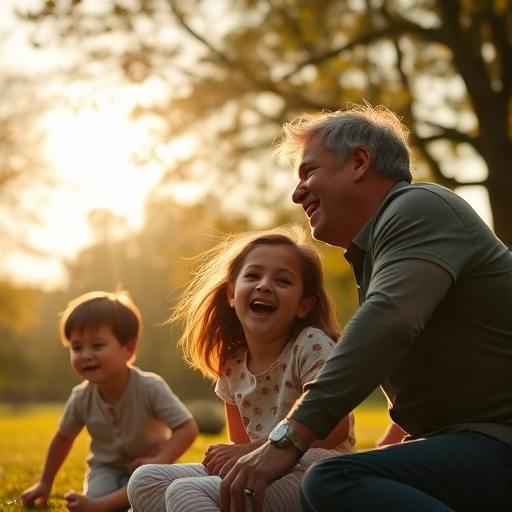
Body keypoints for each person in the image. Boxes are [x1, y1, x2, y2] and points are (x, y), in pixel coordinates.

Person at [219, 103, 512, 512]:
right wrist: (392, 445)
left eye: (309, 172)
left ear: (359, 162)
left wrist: (286, 440)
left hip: (498, 443)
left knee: (333, 479)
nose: (297, 192)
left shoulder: (419, 207)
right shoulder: (377, 253)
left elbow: (387, 325)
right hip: (471, 443)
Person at [127, 225, 356, 512]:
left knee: (186, 492)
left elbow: (336, 429)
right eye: (253, 275)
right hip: (259, 468)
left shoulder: (310, 345)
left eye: (283, 280)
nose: (264, 285)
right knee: (144, 480)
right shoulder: (232, 362)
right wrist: (242, 453)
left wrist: (255, 450)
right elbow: (240, 442)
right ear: (232, 294)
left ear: (304, 305)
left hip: (315, 473)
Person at [21, 290, 199, 512]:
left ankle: (101, 506)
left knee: (152, 494)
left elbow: (187, 428)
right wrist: (45, 482)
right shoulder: (81, 397)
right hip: (105, 468)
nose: (85, 355)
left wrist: (159, 460)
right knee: (98, 492)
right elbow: (63, 439)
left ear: (128, 348)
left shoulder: (150, 387)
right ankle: (106, 501)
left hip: (151, 466)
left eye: (96, 345)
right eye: (77, 347)